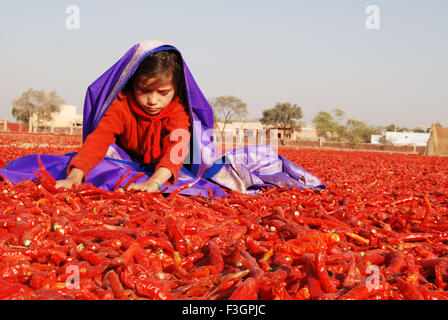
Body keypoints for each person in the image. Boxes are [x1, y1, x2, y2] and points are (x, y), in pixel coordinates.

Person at [55, 50, 191, 192]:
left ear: (177, 89)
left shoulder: (178, 110)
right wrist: (74, 177)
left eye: (163, 92)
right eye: (144, 90)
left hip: (164, 169)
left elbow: (177, 148)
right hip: (126, 161)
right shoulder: (121, 104)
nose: (153, 101)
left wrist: (155, 182)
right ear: (132, 84)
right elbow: (100, 138)